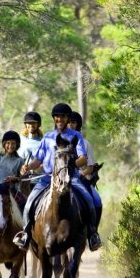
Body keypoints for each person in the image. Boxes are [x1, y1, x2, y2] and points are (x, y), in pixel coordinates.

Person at [13, 103, 102, 252]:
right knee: (29, 202)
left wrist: (70, 164)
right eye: (57, 116)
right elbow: (38, 159)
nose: (60, 119)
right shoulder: (47, 137)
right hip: (48, 178)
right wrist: (28, 167)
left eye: (63, 116)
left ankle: (93, 234)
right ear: (54, 118)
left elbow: (83, 159)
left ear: (67, 119)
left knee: (91, 199)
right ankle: (26, 234)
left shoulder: (76, 136)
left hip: (71, 177)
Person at [68, 111, 103, 244]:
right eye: (69, 122)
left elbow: (90, 167)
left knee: (97, 200)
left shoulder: (86, 144)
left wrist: (80, 174)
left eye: (73, 122)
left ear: (78, 125)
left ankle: (93, 233)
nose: (70, 125)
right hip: (62, 178)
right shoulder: (60, 141)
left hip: (80, 179)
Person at [18, 111, 44, 194]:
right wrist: (21, 168)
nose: (31, 125)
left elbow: (46, 161)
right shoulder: (20, 140)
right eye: (28, 123)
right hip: (22, 180)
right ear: (25, 124)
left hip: (38, 181)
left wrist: (37, 168)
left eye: (34, 123)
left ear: (38, 125)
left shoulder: (43, 142)